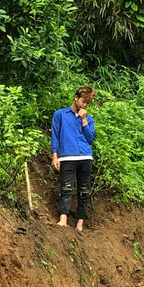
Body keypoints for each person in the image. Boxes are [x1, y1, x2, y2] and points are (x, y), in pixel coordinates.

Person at [50, 86, 96, 231]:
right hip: (67, 157)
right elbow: (55, 136)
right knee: (66, 188)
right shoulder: (60, 114)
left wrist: (84, 121)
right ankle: (63, 220)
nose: (85, 105)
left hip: (85, 157)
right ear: (76, 98)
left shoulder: (89, 119)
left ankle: (80, 224)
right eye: (83, 101)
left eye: (87, 103)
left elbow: (90, 139)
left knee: (83, 191)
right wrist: (54, 156)